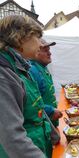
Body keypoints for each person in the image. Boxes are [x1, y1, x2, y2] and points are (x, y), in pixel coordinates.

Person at [0, 15, 52, 158]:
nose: (41, 45)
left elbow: (37, 108)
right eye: (37, 38)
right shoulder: (4, 75)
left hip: (37, 143)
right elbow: (12, 138)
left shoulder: (21, 68)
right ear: (20, 38)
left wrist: (53, 133)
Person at [29, 39, 62, 127]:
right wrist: (51, 110)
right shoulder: (33, 70)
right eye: (45, 51)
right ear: (36, 52)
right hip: (43, 125)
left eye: (49, 50)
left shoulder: (42, 67)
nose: (50, 53)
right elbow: (33, 103)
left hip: (50, 123)